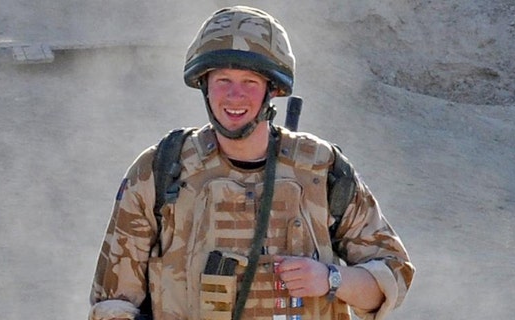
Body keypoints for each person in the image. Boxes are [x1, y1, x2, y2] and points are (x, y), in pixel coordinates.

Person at [89, 5, 414, 320]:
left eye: (250, 82)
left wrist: (331, 279)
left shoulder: (322, 171)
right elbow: (113, 304)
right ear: (205, 86)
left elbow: (393, 277)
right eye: (223, 81)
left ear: (271, 91)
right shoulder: (160, 169)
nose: (234, 96)